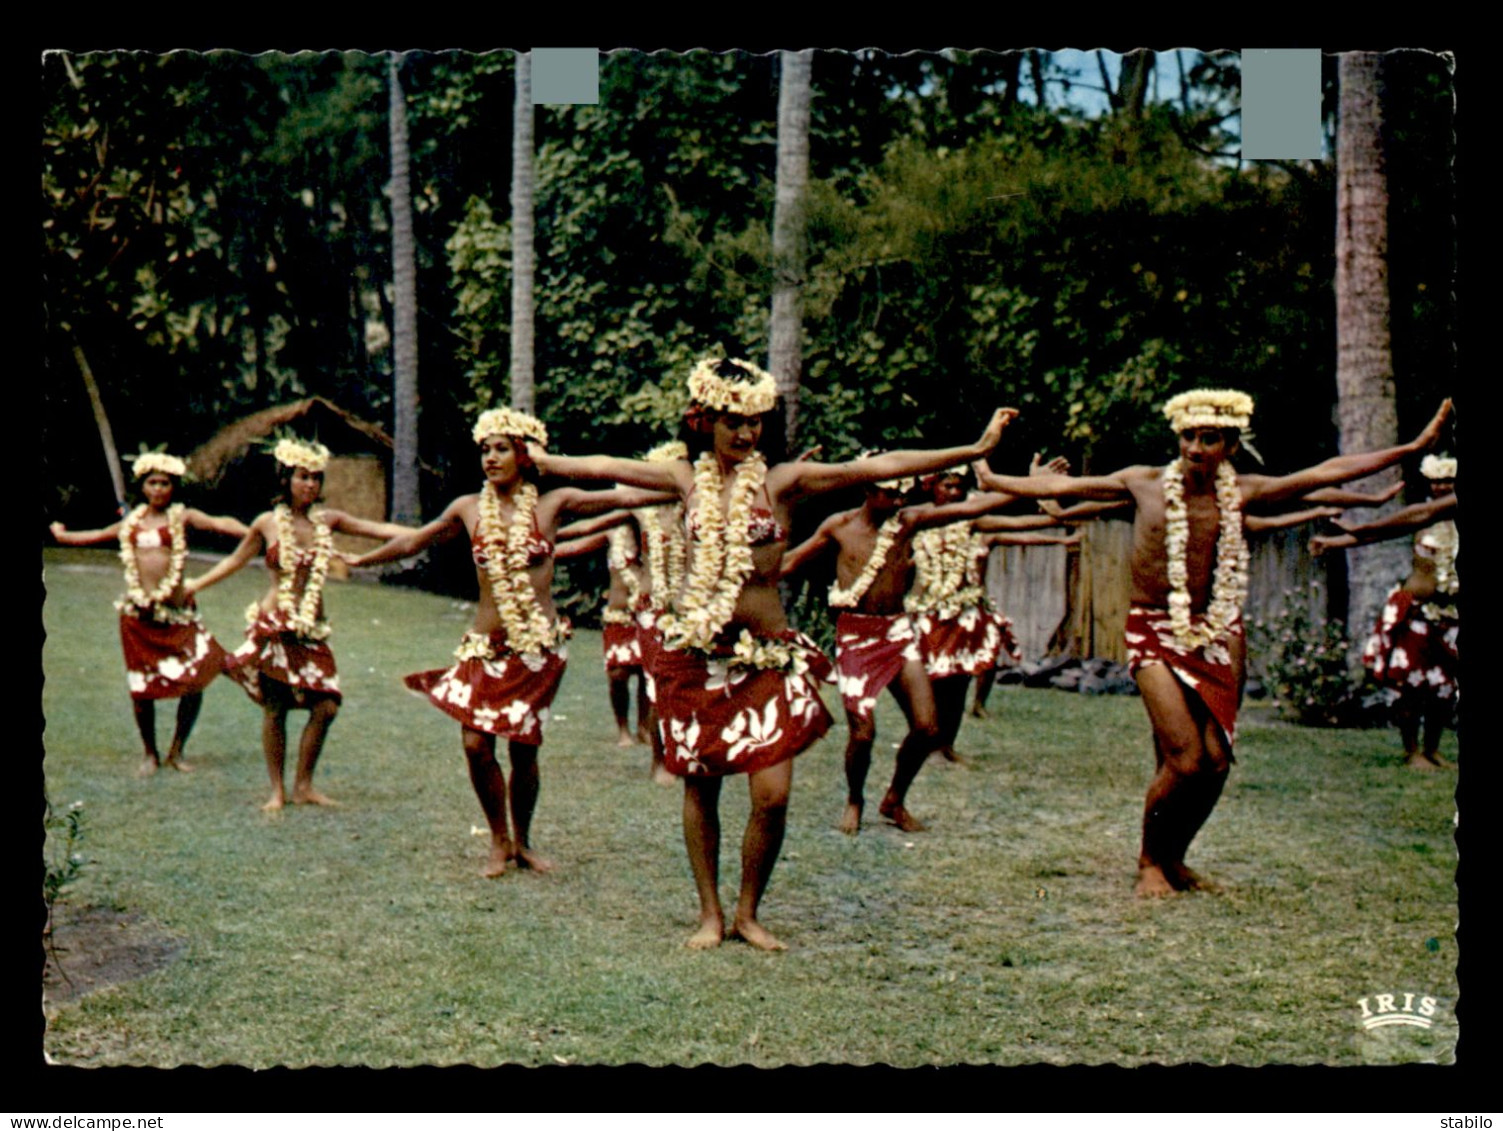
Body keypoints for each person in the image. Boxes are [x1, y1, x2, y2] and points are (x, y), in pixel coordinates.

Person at [532, 356, 1015, 949]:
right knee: (701, 785)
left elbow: (881, 465)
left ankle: (749, 912)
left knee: (773, 794)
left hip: (765, 654)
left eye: (756, 421)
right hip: (696, 653)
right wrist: (549, 463)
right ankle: (710, 914)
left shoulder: (782, 482)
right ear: (704, 419)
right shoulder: (685, 479)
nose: (746, 433)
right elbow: (609, 467)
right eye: (733, 420)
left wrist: (974, 448)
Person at [976, 390, 1453, 897]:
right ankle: (1149, 863)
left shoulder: (1242, 493)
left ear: (1230, 445)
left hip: (1221, 630)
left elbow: (1324, 474)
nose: (1196, 448)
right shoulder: (1143, 483)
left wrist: (1413, 447)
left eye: (1210, 439)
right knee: (1184, 758)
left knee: (1217, 763)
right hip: (1154, 629)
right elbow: (1070, 488)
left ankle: (1176, 860)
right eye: (1188, 436)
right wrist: (993, 475)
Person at [346, 408, 674, 877]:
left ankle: (523, 842)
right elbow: (415, 541)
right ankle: (498, 840)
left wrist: (687, 485)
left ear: (525, 455)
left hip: (536, 650)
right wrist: (362, 561)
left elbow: (622, 497)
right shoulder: (468, 508)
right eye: (485, 449)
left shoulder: (553, 504)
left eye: (502, 448)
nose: (491, 458)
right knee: (476, 743)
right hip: (484, 646)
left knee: (524, 748)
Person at [779, 460, 1055, 833]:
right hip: (855, 638)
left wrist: (1027, 484)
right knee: (862, 733)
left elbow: (973, 507)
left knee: (927, 727)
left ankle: (894, 799)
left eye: (900, 494)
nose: (896, 501)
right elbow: (792, 561)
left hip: (897, 633)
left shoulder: (908, 522)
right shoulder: (839, 527)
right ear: (866, 490)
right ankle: (855, 799)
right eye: (887, 493)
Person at [184, 437, 411, 811]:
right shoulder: (267, 523)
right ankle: (277, 790)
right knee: (276, 707)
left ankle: (304, 785)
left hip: (312, 628)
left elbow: (379, 530)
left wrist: (434, 532)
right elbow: (235, 561)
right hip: (275, 623)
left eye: (316, 478)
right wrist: (196, 583)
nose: (310, 485)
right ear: (286, 479)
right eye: (303, 477)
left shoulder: (329, 520)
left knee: (326, 707)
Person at [50, 451, 249, 776]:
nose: (158, 489)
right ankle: (150, 753)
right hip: (139, 616)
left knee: (196, 678)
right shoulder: (131, 522)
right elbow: (96, 534)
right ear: (142, 486)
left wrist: (252, 532)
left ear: (174, 487)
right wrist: (63, 535)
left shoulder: (182, 517)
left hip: (178, 613)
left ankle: (177, 750)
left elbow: (218, 523)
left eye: (165, 483)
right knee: (142, 688)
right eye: (152, 483)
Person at [1311, 454, 1459, 769]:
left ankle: (1433, 749)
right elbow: (1384, 532)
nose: (1442, 488)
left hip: (1453, 616)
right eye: (1436, 482)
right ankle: (1411, 751)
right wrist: (1338, 542)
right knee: (1411, 684)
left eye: (1448, 482)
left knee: (1444, 687)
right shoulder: (1422, 516)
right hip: (1417, 613)